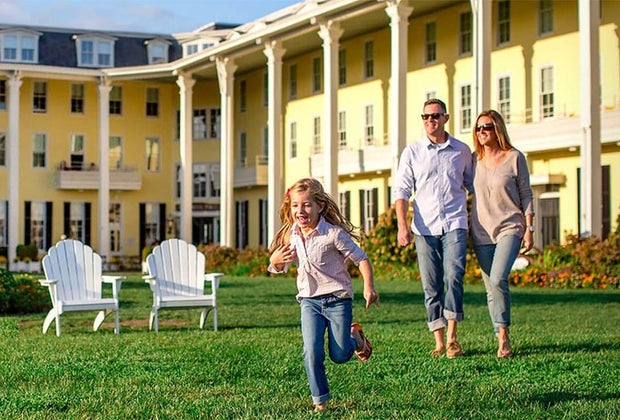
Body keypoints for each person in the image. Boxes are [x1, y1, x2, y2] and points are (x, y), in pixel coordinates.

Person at [268, 178, 379, 412]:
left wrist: (369, 287)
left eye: (307, 204)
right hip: (309, 301)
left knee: (339, 355)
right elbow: (279, 266)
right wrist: (274, 260)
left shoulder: (333, 234)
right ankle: (320, 402)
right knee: (311, 351)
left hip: (338, 300)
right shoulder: (292, 235)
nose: (300, 210)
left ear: (320, 206)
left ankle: (356, 339)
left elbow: (361, 259)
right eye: (295, 205)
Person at [393, 98, 473, 358]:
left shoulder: (461, 151)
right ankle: (438, 341)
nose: (431, 120)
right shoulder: (413, 151)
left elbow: (474, 186)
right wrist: (402, 226)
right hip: (424, 227)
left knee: (454, 276)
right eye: (426, 116)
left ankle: (452, 339)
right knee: (431, 284)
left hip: (455, 222)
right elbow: (402, 191)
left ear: (446, 118)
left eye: (436, 116)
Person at [470, 110, 534, 358]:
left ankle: (504, 335)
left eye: (486, 127)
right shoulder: (473, 160)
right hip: (481, 232)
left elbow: (526, 194)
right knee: (490, 288)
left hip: (510, 227)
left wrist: (529, 229)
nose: (481, 131)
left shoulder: (514, 157)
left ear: (497, 129)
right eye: (478, 128)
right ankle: (499, 335)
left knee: (498, 279)